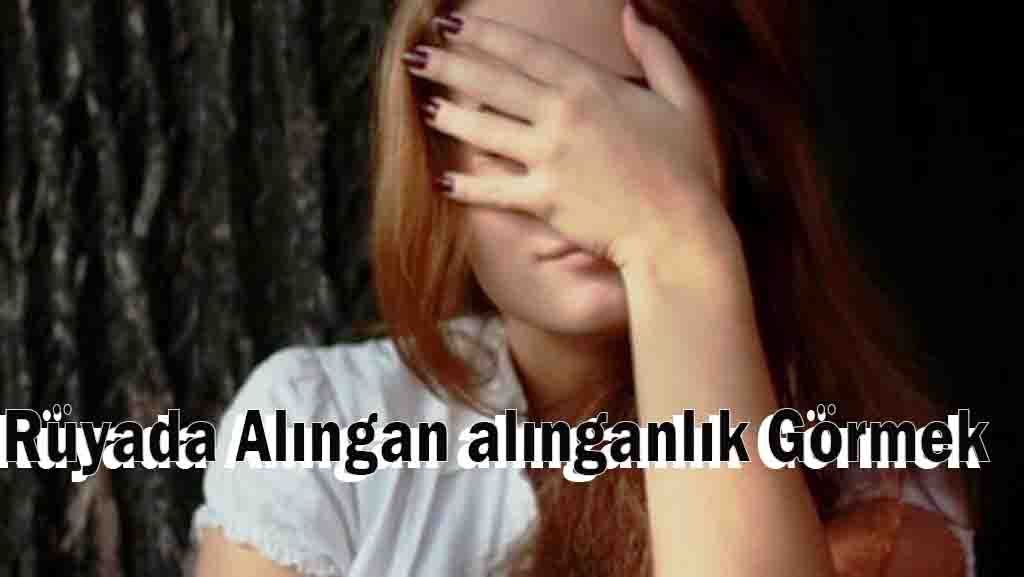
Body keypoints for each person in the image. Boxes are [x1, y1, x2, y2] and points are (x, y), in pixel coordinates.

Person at [190, 1, 976, 576]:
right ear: (435, 173)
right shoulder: (321, 430)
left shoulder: (867, 459)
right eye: (509, 120)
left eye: (628, 114)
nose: (576, 180)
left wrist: (674, 244)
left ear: (730, 134)